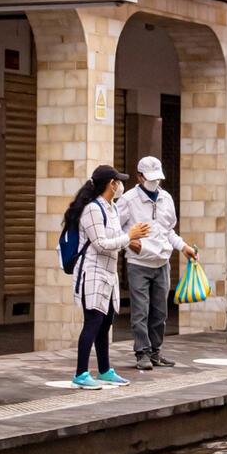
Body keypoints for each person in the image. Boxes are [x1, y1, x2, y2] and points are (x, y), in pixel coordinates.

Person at [64, 165, 150, 389]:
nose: (120, 184)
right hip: (92, 273)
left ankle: (104, 370)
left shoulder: (110, 207)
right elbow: (100, 244)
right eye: (118, 181)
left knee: (104, 324)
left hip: (108, 274)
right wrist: (129, 236)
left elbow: (112, 238)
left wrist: (129, 241)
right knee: (92, 322)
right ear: (111, 184)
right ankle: (81, 374)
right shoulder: (93, 209)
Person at [117, 156, 197, 370]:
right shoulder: (127, 199)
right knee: (140, 311)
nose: (154, 182)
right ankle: (141, 352)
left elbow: (167, 230)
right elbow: (115, 228)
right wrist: (128, 242)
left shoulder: (166, 198)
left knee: (160, 312)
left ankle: (155, 352)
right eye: (149, 178)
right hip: (138, 263)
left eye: (157, 178)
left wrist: (184, 247)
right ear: (139, 176)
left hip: (162, 263)